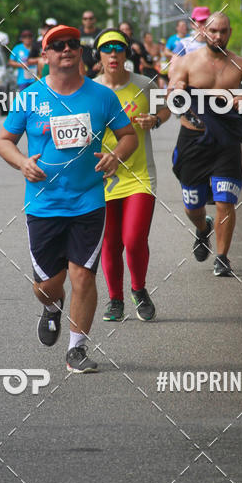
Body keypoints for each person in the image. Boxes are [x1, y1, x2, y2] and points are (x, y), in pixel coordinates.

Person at [0, 24, 137, 373]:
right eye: (57, 45)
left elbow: (128, 136)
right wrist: (22, 163)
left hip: (88, 200)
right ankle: (51, 305)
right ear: (45, 56)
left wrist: (115, 155)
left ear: (80, 51)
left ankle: (77, 348)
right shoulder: (29, 96)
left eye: (72, 44)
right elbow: (3, 141)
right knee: (47, 285)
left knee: (83, 276)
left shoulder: (102, 96)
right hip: (44, 204)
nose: (66, 50)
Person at [169, 11, 242, 277]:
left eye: (223, 31)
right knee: (193, 205)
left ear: (229, 33)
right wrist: (177, 88)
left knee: (225, 199)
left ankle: (223, 257)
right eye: (213, 31)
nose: (218, 36)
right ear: (204, 32)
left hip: (225, 142)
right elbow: (172, 89)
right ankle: (203, 228)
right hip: (193, 140)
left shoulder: (239, 65)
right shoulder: (187, 62)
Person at [94, 28, 170, 322]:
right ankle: (116, 300)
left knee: (134, 238)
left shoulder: (145, 84)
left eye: (119, 48)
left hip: (139, 174)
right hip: (104, 177)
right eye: (107, 48)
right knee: (110, 242)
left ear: (126, 53)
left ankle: (139, 289)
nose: (113, 53)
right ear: (98, 55)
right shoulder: (91, 90)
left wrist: (154, 119)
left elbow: (166, 109)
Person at [79, 10, 100, 77]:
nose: (88, 20)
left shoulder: (100, 34)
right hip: (82, 70)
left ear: (94, 20)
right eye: (85, 19)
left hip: (98, 70)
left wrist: (101, 63)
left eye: (90, 18)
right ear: (82, 20)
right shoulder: (78, 34)